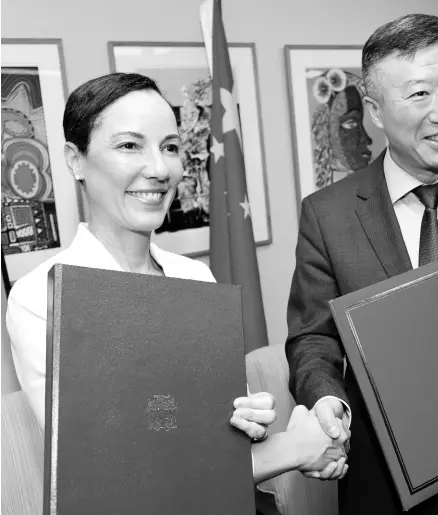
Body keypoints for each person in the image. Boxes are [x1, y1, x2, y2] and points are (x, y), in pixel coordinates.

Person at [6, 72, 349, 485]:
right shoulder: (43, 296)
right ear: (75, 159)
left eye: (170, 147)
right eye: (129, 145)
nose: (158, 168)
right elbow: (114, 471)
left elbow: (212, 435)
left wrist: (247, 422)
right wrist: (294, 448)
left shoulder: (195, 277)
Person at [286, 13, 438, 514]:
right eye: (419, 94)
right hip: (382, 483)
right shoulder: (327, 214)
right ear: (374, 110)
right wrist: (327, 401)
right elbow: (313, 337)